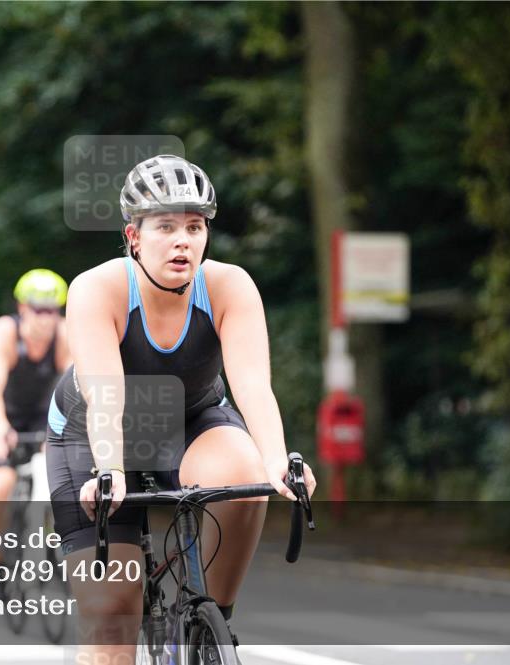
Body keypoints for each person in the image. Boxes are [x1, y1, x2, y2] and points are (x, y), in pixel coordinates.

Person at [45, 155, 317, 662]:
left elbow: (253, 385)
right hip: (92, 434)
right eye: (165, 226)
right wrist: (110, 471)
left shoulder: (230, 286)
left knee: (245, 475)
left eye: (194, 227)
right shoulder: (97, 289)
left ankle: (204, 627)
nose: (182, 241)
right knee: (111, 616)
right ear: (134, 237)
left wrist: (279, 461)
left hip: (192, 420)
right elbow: (106, 394)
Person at [0, 268, 71, 596]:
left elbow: (75, 390)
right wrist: (0, 428)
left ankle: (50, 539)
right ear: (22, 307)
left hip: (44, 416)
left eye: (52, 310)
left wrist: (62, 431)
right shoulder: (3, 332)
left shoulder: (65, 336)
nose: (45, 318)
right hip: (2, 413)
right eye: (38, 310)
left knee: (59, 475)